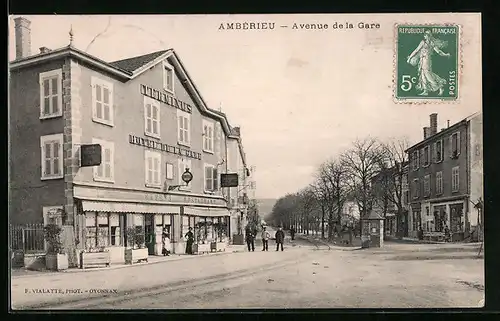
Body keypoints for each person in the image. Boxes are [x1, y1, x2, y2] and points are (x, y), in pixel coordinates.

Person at [406, 30, 451, 96]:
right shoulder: (423, 42)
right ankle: (425, 91)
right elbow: (416, 50)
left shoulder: (432, 43)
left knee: (428, 74)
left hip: (427, 61)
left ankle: (440, 87)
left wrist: (445, 54)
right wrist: (410, 57)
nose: (426, 36)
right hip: (422, 60)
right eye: (425, 35)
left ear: (429, 36)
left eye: (427, 35)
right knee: (423, 75)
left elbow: (438, 52)